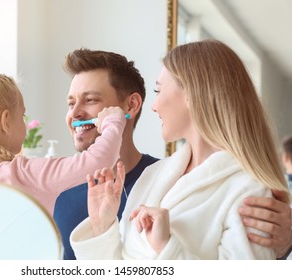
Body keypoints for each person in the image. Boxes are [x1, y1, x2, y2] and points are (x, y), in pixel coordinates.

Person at [54, 48, 292, 259]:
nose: (154, 106)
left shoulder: (249, 190)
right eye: (70, 102)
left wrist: (168, 249)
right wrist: (102, 228)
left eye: (158, 91)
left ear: (193, 93)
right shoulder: (153, 176)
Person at [0, 72, 127, 260]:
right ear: (6, 121)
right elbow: (98, 162)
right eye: (23, 116)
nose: (25, 123)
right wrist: (113, 122)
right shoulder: (28, 173)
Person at [53, 49, 159, 260]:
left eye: (90, 100)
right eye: (71, 103)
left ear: (131, 105)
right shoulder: (59, 194)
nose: (74, 114)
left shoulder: (165, 181)